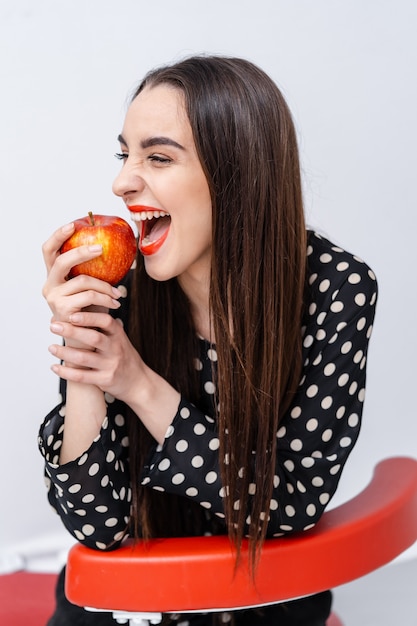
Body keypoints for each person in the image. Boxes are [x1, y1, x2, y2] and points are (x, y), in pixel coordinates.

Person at [39, 55, 378, 626]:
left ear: (237, 173)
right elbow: (97, 526)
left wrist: (137, 383)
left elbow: (292, 502)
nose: (122, 181)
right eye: (125, 155)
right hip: (131, 602)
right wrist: (84, 360)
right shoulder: (117, 283)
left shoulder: (336, 288)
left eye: (158, 157)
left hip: (264, 602)